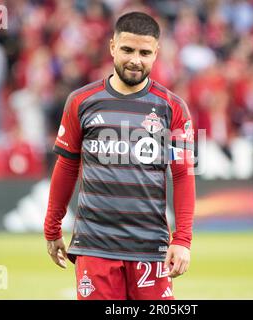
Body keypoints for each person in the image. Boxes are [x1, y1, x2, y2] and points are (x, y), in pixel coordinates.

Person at [43, 11, 195, 300]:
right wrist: (52, 228)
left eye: (144, 52)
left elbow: (184, 175)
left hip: (151, 247)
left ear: (156, 53)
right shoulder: (80, 101)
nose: (135, 59)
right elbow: (65, 167)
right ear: (112, 46)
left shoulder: (174, 108)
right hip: (94, 246)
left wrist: (183, 239)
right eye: (127, 49)